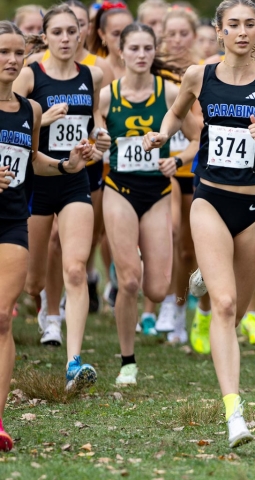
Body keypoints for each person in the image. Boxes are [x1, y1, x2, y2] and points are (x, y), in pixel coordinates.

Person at [143, 0, 255, 447]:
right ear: (219, 31)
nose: (241, 31)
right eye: (232, 24)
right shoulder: (200, 75)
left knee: (234, 309)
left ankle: (202, 275)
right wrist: (163, 133)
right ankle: (234, 412)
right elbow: (177, 113)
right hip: (211, 199)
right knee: (223, 303)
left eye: (249, 24)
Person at [0, 20, 95, 451]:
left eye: (16, 53)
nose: (10, 60)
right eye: (3, 52)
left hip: (37, 204)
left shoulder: (36, 106)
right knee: (25, 292)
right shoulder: (27, 88)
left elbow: (31, 156)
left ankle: (1, 418)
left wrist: (68, 164)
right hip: (22, 206)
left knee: (7, 316)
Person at [98, 22, 200, 384]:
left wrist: (179, 161)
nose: (141, 55)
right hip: (118, 189)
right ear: (121, 52)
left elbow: (195, 139)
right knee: (130, 282)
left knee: (156, 289)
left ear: (154, 52)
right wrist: (98, 143)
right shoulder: (107, 95)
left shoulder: (170, 93)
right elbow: (94, 135)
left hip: (157, 192)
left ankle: (138, 273)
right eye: (134, 49)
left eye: (147, 49)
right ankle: (128, 360)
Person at [15, 5, 110, 369]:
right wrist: (42, 116)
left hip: (74, 180)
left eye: (73, 31)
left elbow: (94, 124)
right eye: (58, 32)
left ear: (81, 33)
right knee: (31, 282)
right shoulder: (29, 76)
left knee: (75, 269)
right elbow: (15, 127)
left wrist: (98, 140)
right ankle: (43, 309)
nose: (66, 38)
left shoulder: (93, 75)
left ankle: (75, 360)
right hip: (36, 183)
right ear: (46, 35)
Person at [154, 4, 202, 343]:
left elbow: (200, 129)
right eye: (170, 34)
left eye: (183, 33)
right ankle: (168, 302)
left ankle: (187, 309)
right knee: (170, 232)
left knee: (189, 248)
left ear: (195, 35)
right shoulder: (153, 73)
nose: (177, 40)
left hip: (192, 165)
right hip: (158, 166)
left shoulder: (202, 73)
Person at [93, 3, 134, 81]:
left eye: (128, 32)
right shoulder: (96, 71)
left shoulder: (147, 67)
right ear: (102, 34)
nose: (123, 39)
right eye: (116, 34)